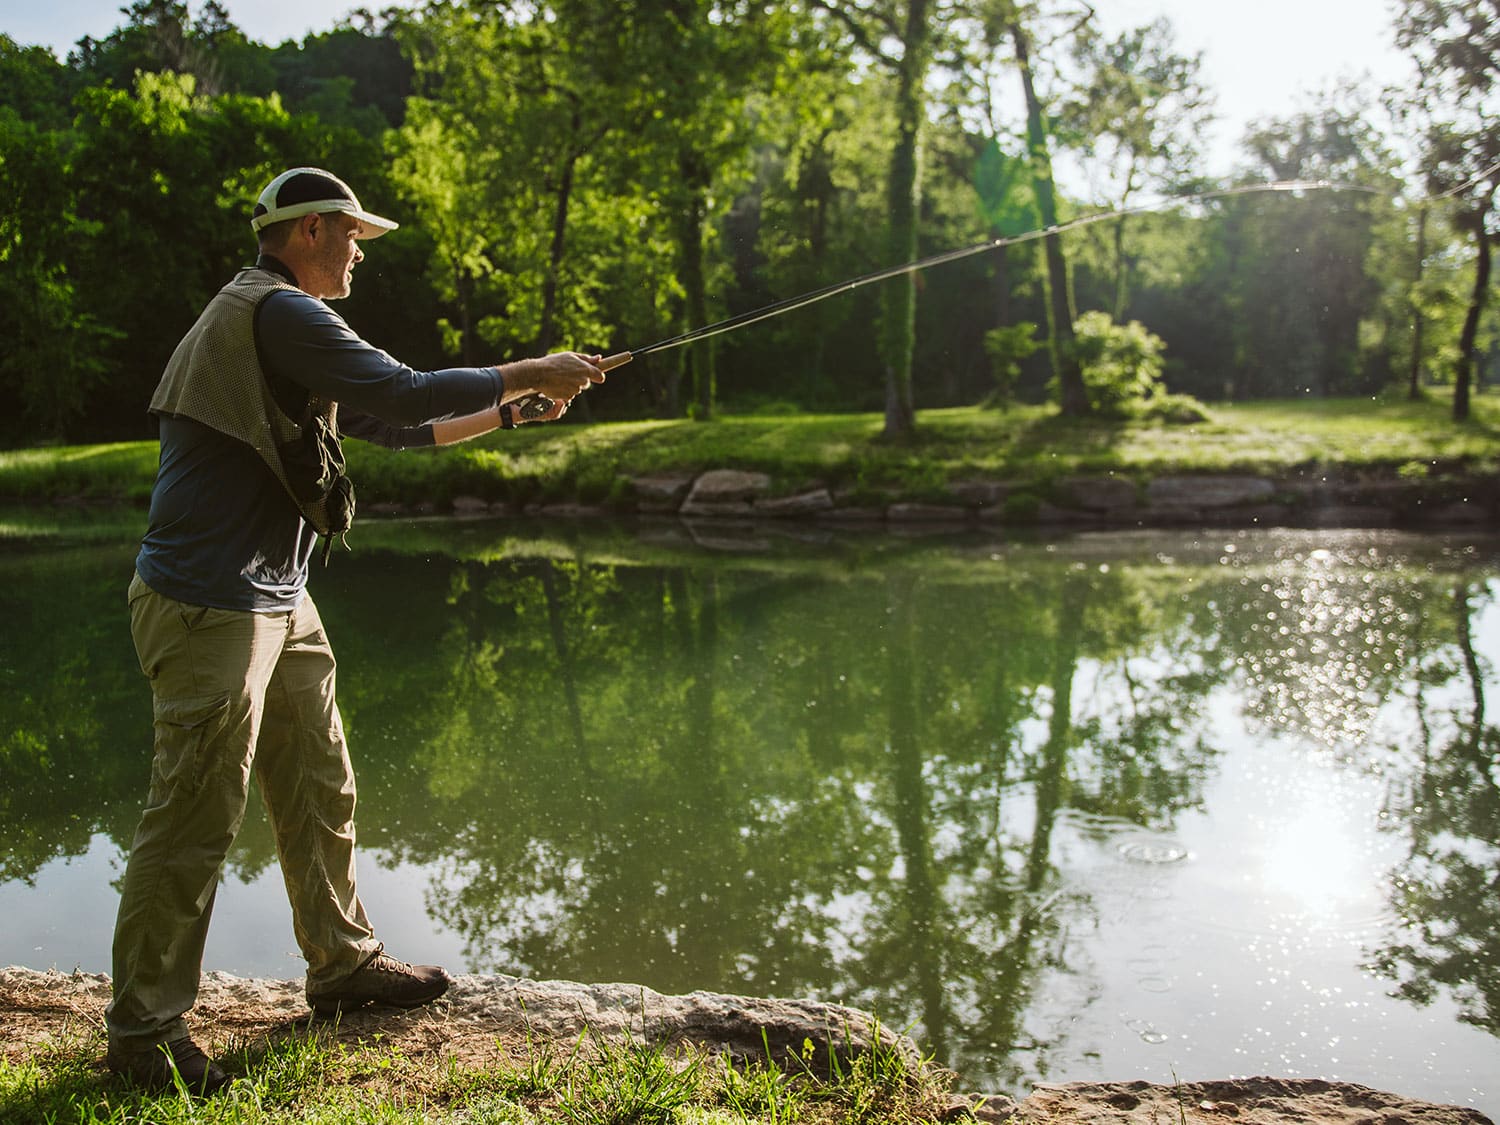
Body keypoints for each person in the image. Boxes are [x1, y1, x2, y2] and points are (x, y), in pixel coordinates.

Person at [103, 167, 605, 1095]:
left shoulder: (289, 322)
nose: (360, 251)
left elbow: (400, 426)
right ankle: (143, 1031)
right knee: (192, 816)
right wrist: (534, 364)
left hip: (276, 595)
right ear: (306, 233)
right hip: (210, 602)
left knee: (319, 776)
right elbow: (409, 391)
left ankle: (341, 965)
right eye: (351, 235)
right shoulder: (279, 311)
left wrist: (503, 410)